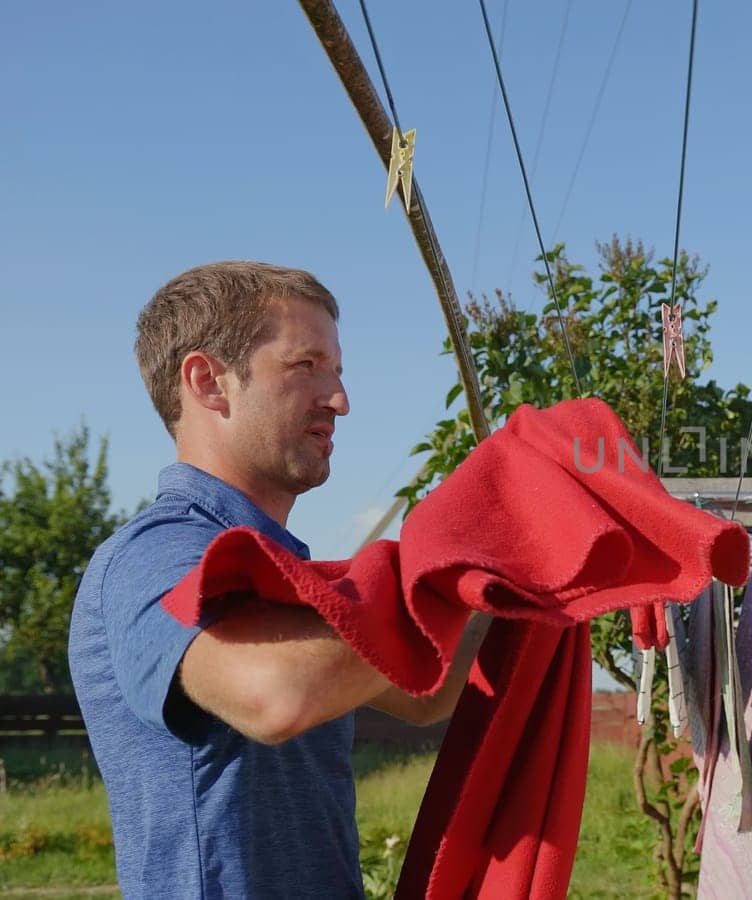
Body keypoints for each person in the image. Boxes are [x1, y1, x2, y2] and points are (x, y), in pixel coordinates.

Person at [67, 261, 489, 898]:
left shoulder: (287, 570)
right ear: (208, 382)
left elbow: (427, 694)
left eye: (337, 372)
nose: (339, 399)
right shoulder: (151, 556)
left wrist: (525, 568)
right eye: (305, 366)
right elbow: (276, 695)